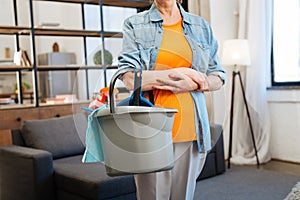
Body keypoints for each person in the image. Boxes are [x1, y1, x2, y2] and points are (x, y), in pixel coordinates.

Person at [118, 0, 226, 199]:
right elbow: (130, 78)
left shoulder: (200, 26)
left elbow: (218, 76)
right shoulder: (135, 24)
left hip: (192, 130)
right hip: (150, 133)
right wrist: (177, 73)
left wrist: (193, 84)